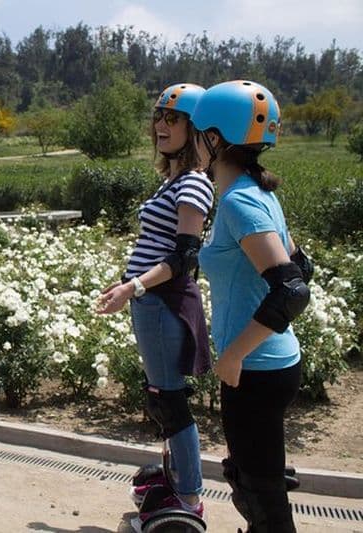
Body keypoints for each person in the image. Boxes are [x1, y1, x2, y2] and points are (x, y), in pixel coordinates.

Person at [192, 80, 311, 532]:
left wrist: (235, 353)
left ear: (215, 140)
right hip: (267, 366)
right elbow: (302, 266)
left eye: (198, 132)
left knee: (262, 496)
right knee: (251, 480)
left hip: (256, 369)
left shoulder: (242, 201)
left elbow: (292, 288)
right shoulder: (257, 194)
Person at [97, 83, 213, 520]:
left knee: (170, 400)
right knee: (159, 394)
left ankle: (188, 498)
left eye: (173, 119)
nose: (161, 126)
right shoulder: (175, 181)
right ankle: (174, 481)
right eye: (158, 117)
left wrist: (133, 286)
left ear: (195, 129)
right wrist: (128, 284)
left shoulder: (194, 183)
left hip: (164, 301)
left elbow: (184, 256)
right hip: (150, 300)